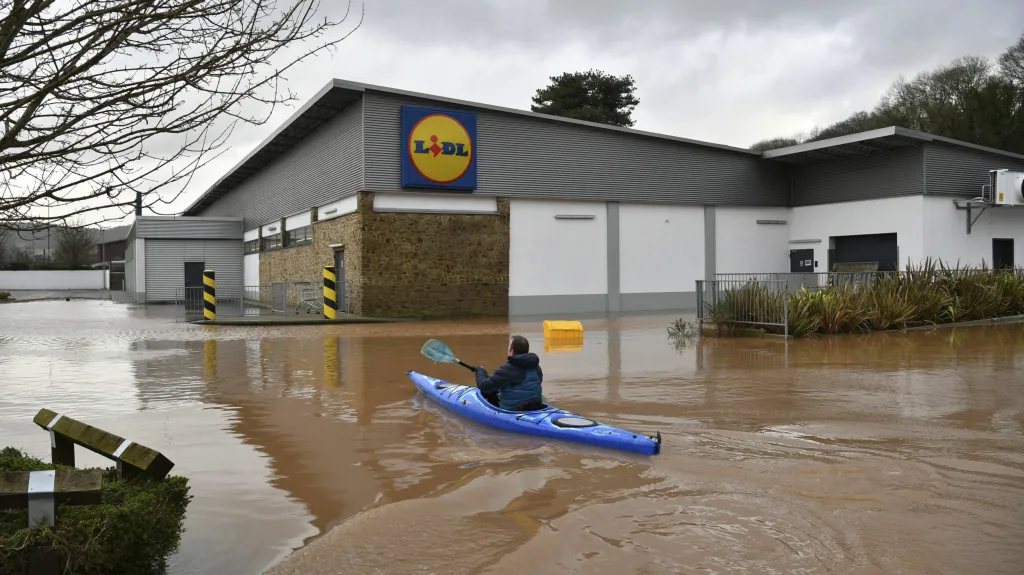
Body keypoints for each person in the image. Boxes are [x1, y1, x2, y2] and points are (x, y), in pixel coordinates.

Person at [474, 335, 545, 411]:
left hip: (514, 410)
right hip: (536, 406)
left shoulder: (508, 369)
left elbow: (484, 386)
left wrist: (480, 371)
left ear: (512, 351)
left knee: (486, 392)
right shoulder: (536, 367)